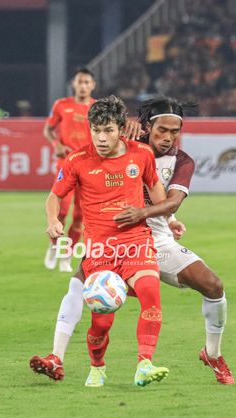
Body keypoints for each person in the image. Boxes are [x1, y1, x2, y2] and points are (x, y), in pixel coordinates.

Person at [30, 96, 235, 385]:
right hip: (111, 238)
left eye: (174, 132)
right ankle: (58, 357)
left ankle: (212, 354)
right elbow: (103, 126)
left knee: (213, 285)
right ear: (147, 125)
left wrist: (161, 217)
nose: (168, 138)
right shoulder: (118, 138)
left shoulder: (180, 161)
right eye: (162, 130)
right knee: (78, 287)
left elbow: (171, 201)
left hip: (155, 240)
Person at [42, 95, 170, 387]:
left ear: (121, 129)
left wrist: (169, 219)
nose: (101, 137)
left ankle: (144, 364)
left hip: (137, 241)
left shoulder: (141, 154)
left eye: (108, 130)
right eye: (96, 130)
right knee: (103, 318)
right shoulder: (77, 160)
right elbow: (54, 195)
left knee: (151, 294)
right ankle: (97, 366)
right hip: (100, 249)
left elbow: (154, 187)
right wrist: (53, 220)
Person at [42, 67, 96, 272]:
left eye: (86, 82)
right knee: (62, 210)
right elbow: (47, 129)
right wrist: (55, 143)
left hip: (90, 168)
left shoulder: (97, 108)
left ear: (93, 85)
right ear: (74, 84)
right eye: (79, 82)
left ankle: (67, 254)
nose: (82, 86)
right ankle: (53, 246)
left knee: (81, 215)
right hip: (66, 164)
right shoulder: (61, 105)